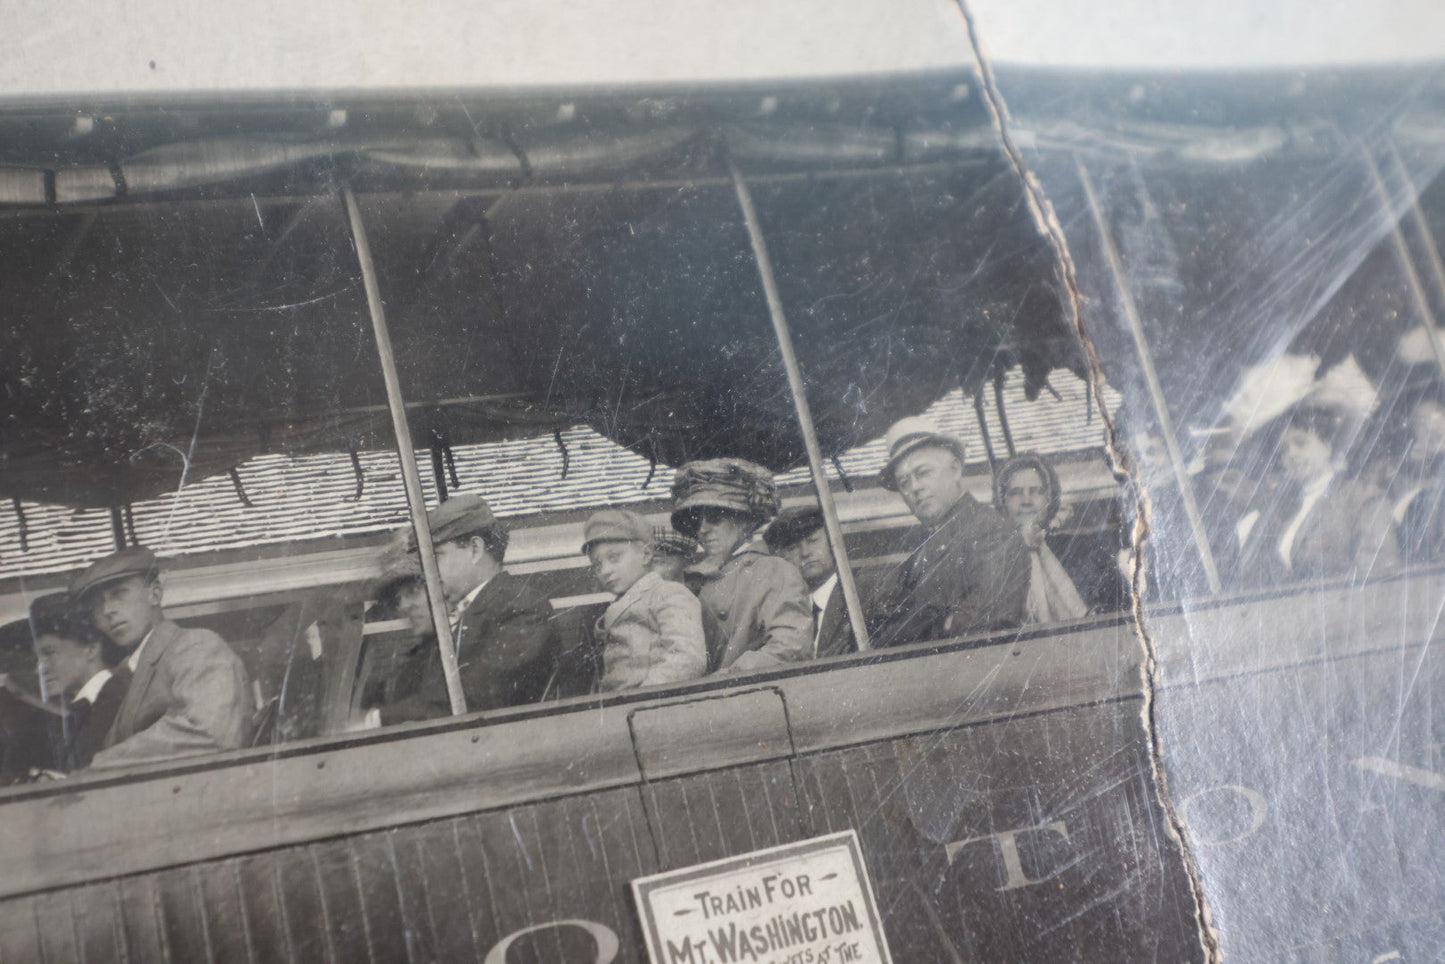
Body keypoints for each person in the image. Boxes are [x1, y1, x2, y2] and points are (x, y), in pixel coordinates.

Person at [376, 494, 561, 723]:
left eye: (436, 557)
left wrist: (374, 719)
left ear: (475, 549)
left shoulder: (521, 607)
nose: (428, 574)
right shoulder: (465, 613)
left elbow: (473, 696)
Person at [71, 547, 250, 767]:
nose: (107, 610)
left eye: (119, 593)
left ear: (154, 594)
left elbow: (212, 731)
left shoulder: (195, 647)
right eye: (97, 604)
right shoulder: (122, 679)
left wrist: (102, 763)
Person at [873, 417, 1029, 646]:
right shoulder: (918, 554)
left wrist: (920, 629)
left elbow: (987, 621)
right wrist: (943, 622)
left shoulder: (991, 530)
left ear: (955, 469)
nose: (914, 487)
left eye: (923, 473)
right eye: (904, 482)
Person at [671, 458, 812, 673]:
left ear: (745, 519)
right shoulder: (691, 579)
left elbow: (791, 647)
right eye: (696, 521)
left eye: (715, 518)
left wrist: (726, 679)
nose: (703, 530)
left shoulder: (773, 571)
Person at [1235, 404, 1401, 586]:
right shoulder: (1282, 509)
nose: (1291, 454)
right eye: (1283, 449)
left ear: (1327, 446)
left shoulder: (1362, 498)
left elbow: (1377, 576)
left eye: (1301, 443)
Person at [583, 509, 707, 691]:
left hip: (651, 707)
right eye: (597, 564)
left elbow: (688, 658)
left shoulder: (668, 593)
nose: (605, 570)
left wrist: (644, 695)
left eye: (614, 558)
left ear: (646, 554)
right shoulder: (621, 604)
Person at [994, 453, 1125, 621]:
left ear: (1049, 499)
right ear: (1002, 503)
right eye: (1015, 493)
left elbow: (1121, 606)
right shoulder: (993, 559)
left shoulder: (1085, 549)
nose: (1026, 500)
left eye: (1036, 491)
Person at [29, 594, 129, 772]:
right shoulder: (63, 715)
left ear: (90, 649)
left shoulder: (129, 695)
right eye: (37, 658)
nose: (39, 669)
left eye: (49, 653)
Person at [763, 506, 861, 658]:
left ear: (833, 539)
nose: (805, 553)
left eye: (813, 540)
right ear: (781, 557)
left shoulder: (862, 595)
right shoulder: (779, 610)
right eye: (792, 547)